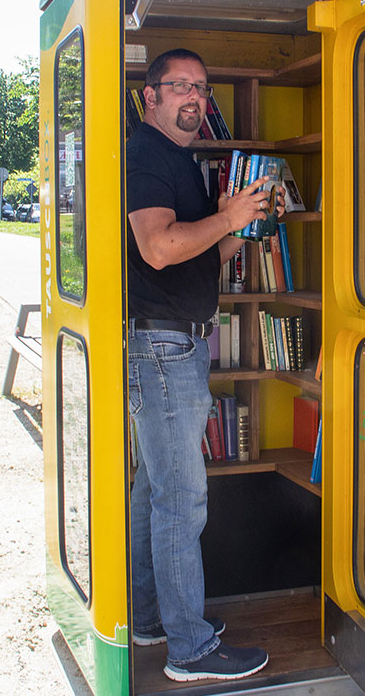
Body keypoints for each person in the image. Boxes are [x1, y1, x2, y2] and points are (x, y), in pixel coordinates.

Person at [126, 47, 281, 683]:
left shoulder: (177, 161)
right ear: (150, 96)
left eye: (202, 88)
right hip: (162, 345)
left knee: (153, 492)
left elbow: (194, 256)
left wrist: (243, 231)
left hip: (175, 340)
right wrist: (228, 214)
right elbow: (158, 249)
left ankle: (151, 617)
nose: (193, 97)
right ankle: (190, 649)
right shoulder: (147, 154)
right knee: (181, 500)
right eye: (179, 86)